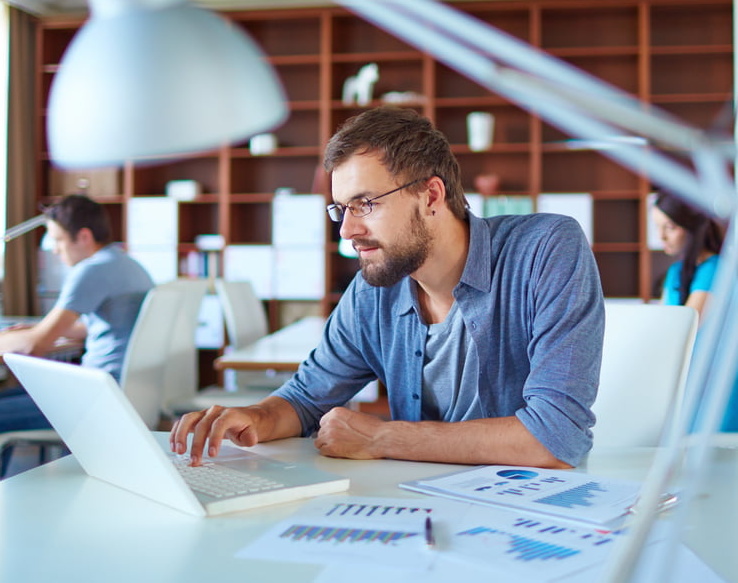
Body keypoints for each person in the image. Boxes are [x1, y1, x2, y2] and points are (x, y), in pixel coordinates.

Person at [171, 106, 604, 469]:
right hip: (415, 509)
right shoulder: (372, 291)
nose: (347, 230)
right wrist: (256, 417)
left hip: (529, 516)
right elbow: (306, 399)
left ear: (431, 196)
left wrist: (382, 438)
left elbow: (556, 437)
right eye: (340, 209)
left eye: (365, 204)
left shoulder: (546, 250)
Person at [0, 194, 154, 500]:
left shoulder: (91, 270)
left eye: (59, 241)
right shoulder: (127, 264)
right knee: (6, 398)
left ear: (84, 236)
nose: (57, 251)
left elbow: (32, 346)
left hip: (98, 399)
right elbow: (101, 326)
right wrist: (40, 330)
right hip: (125, 390)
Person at [651, 190, 738, 432]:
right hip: (693, 394)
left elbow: (683, 329)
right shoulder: (676, 273)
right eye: (657, 227)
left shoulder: (716, 268)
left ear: (692, 228)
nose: (661, 236)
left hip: (721, 402)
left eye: (670, 227)